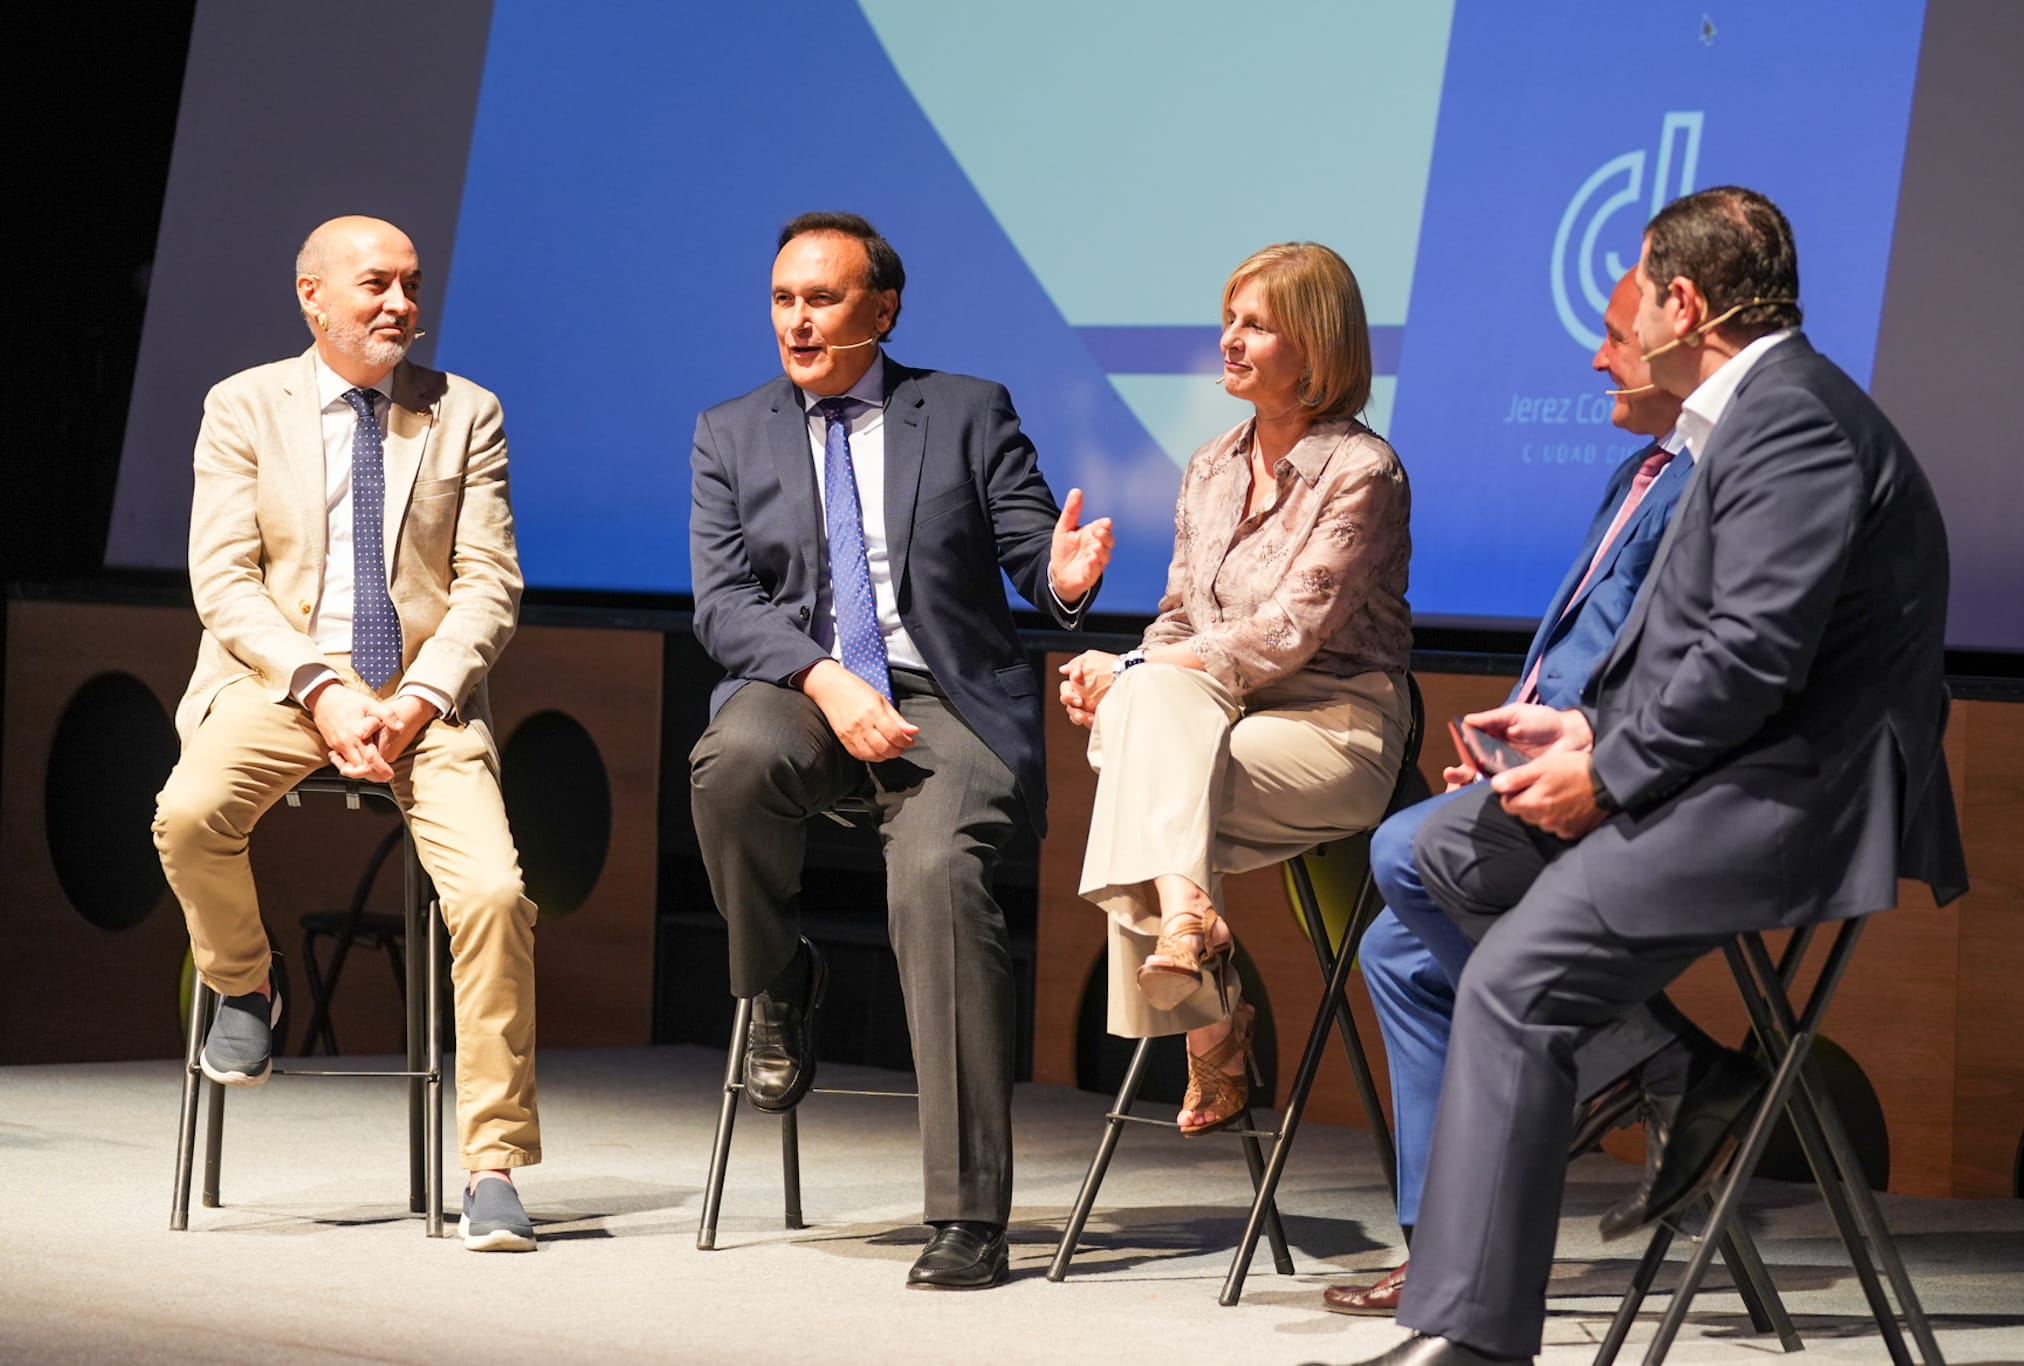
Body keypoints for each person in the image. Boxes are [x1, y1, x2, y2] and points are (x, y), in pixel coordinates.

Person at [1359, 186, 1968, 1366]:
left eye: (1630, 296)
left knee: (1513, 984)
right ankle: (1677, 1071)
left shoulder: (1791, 420)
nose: (1618, 329)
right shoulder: (1742, 422)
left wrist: (1609, 773)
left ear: (1679, 303)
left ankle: (1470, 1341)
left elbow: (1750, 654)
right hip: (1737, 766)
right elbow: (1700, 647)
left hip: (1797, 796)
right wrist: (1581, 739)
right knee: (1443, 847)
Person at [688, 212, 1113, 1290]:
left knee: (934, 876)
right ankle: (777, 978)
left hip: (947, 701)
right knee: (731, 759)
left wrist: (1061, 577)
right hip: (805, 688)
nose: (797, 319)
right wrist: (825, 679)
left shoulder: (965, 412)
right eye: (783, 298)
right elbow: (726, 603)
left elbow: (1027, 547)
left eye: (821, 299)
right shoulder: (729, 431)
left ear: (881, 310)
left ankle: (967, 1216)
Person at [152, 216, 541, 1253]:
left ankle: (492, 1162)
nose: (400, 306)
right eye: (375, 285)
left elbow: (488, 586)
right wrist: (323, 689)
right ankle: (243, 977)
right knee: (188, 815)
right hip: (282, 684)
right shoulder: (243, 406)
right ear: (311, 296)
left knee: (495, 894)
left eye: (411, 286)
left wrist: (413, 700)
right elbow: (223, 582)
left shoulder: (466, 412)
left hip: (424, 697)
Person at [1326, 271, 1702, 1317]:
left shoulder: (1709, 483)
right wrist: (1503, 744)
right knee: (1393, 949)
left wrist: (1563, 757)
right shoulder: (1637, 469)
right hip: (1546, 757)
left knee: (1405, 852)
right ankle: (1439, 1242)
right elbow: (1578, 644)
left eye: (1614, 335)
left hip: (1631, 786)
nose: (1593, 357)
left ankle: (1637, 1053)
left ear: (1682, 333)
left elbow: (1664, 666)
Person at [1059, 242, 1412, 1137]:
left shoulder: (1363, 472)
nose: (1229, 340)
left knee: (1145, 776)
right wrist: (1137, 675)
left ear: (1316, 348)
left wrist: (1129, 678)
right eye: (1230, 320)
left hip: (1335, 723)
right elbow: (1179, 621)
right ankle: (1191, 920)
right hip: (1217, 716)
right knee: (1151, 735)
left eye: (1255, 325)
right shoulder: (1212, 465)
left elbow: (1286, 634)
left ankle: (1211, 1026)